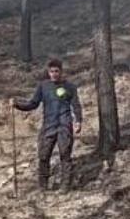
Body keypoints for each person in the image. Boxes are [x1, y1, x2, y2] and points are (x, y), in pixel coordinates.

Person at [10, 58, 83, 190]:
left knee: (65, 155)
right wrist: (17, 104)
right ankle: (43, 186)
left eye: (56, 71)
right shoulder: (43, 86)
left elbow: (76, 105)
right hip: (48, 126)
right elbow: (33, 103)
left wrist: (78, 121)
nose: (54, 74)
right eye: (51, 71)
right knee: (43, 155)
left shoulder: (70, 87)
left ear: (61, 72)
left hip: (64, 126)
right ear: (48, 72)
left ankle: (65, 186)